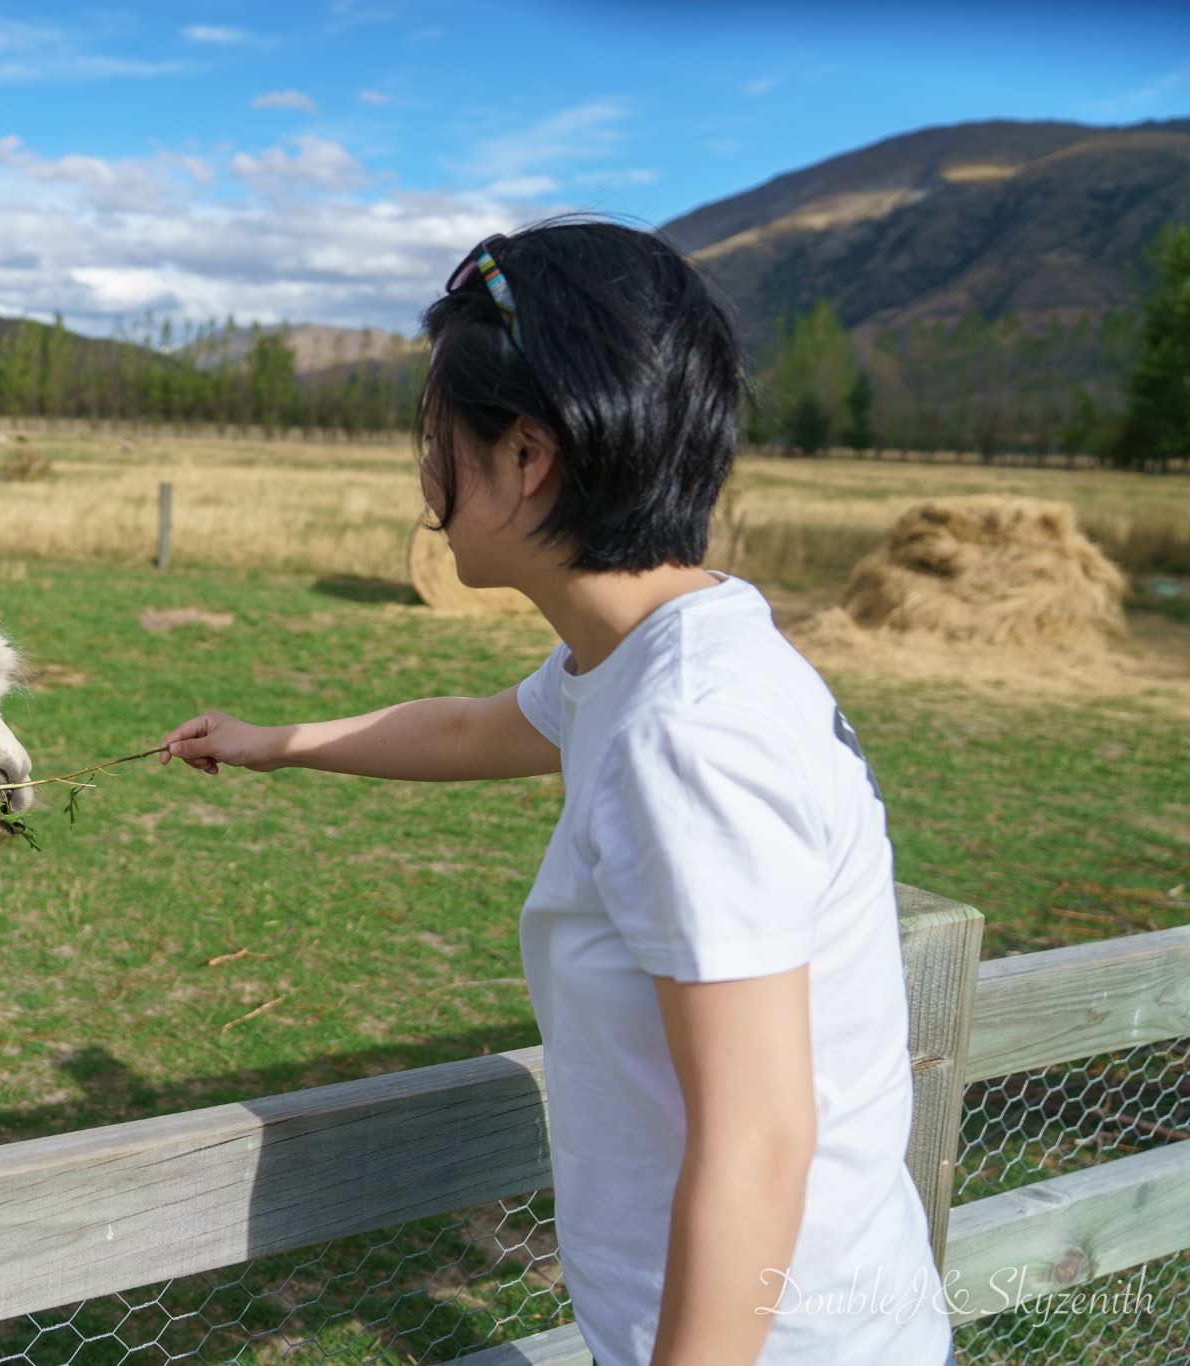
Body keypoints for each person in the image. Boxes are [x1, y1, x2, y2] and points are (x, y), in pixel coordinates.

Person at [159, 220, 953, 1366]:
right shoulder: (666, 646)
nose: (424, 473)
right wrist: (276, 740)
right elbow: (482, 725)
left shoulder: (687, 733)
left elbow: (763, 1140)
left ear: (526, 456)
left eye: (437, 435)